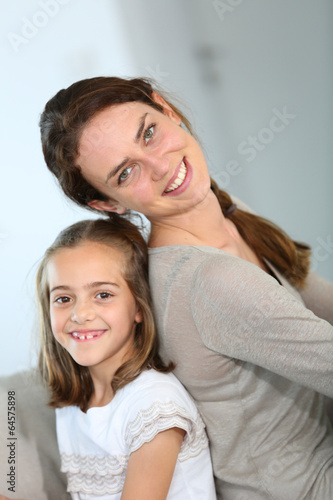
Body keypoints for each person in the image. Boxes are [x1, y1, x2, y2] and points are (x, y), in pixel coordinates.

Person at [39, 76, 333, 500]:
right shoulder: (209, 283)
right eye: (126, 172)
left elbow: (316, 296)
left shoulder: (229, 214)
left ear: (167, 110)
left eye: (149, 132)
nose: (160, 166)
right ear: (107, 204)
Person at [34, 217, 217, 500]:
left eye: (103, 294)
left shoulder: (154, 406)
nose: (80, 314)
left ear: (139, 308)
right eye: (63, 298)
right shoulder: (75, 403)